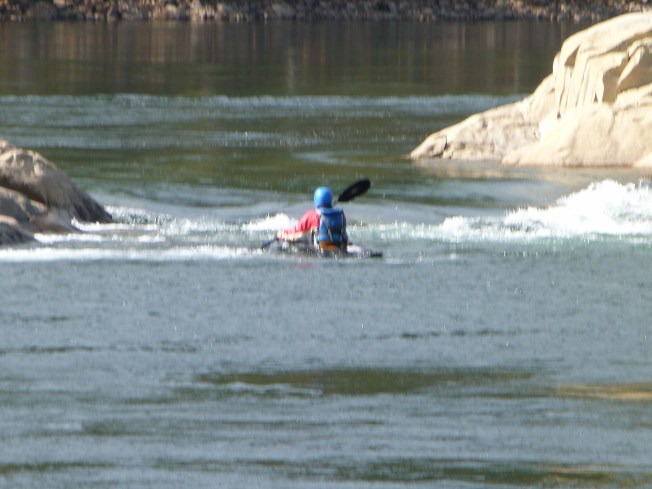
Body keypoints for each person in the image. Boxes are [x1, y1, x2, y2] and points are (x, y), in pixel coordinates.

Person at [276, 186, 348, 249]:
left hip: (321, 249)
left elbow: (296, 230)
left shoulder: (313, 215)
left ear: (316, 200)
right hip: (341, 246)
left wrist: (282, 233)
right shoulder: (341, 214)